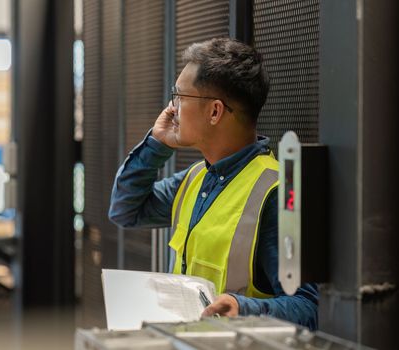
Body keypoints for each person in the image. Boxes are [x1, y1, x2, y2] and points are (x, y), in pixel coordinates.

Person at [108, 37, 318, 330]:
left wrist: (244, 308)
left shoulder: (274, 193)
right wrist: (156, 143)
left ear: (215, 111)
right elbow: (125, 210)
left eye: (179, 96)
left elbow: (309, 308)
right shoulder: (196, 179)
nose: (173, 108)